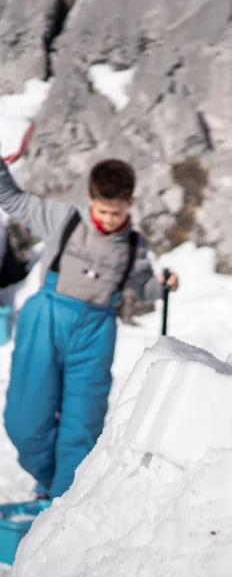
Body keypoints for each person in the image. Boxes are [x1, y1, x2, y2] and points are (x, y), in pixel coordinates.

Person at [0, 154, 179, 499]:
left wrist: (162, 285)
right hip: (47, 320)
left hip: (96, 333)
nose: (110, 220)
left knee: (81, 428)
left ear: (130, 203)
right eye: (102, 211)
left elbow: (142, 288)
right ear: (90, 199)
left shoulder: (133, 245)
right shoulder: (63, 219)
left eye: (117, 212)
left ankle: (60, 504)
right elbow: (12, 198)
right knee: (25, 423)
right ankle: (52, 483)